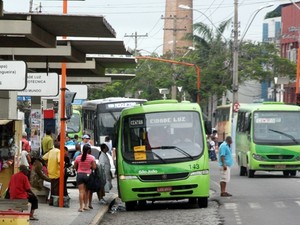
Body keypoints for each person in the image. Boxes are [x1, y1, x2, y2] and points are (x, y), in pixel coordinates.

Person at [74, 144, 96, 212]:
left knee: (81, 192)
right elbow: (94, 167)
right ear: (89, 150)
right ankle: (86, 206)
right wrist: (90, 166)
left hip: (80, 175)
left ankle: (81, 207)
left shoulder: (78, 157)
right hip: (88, 175)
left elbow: (75, 166)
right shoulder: (92, 158)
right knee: (86, 191)